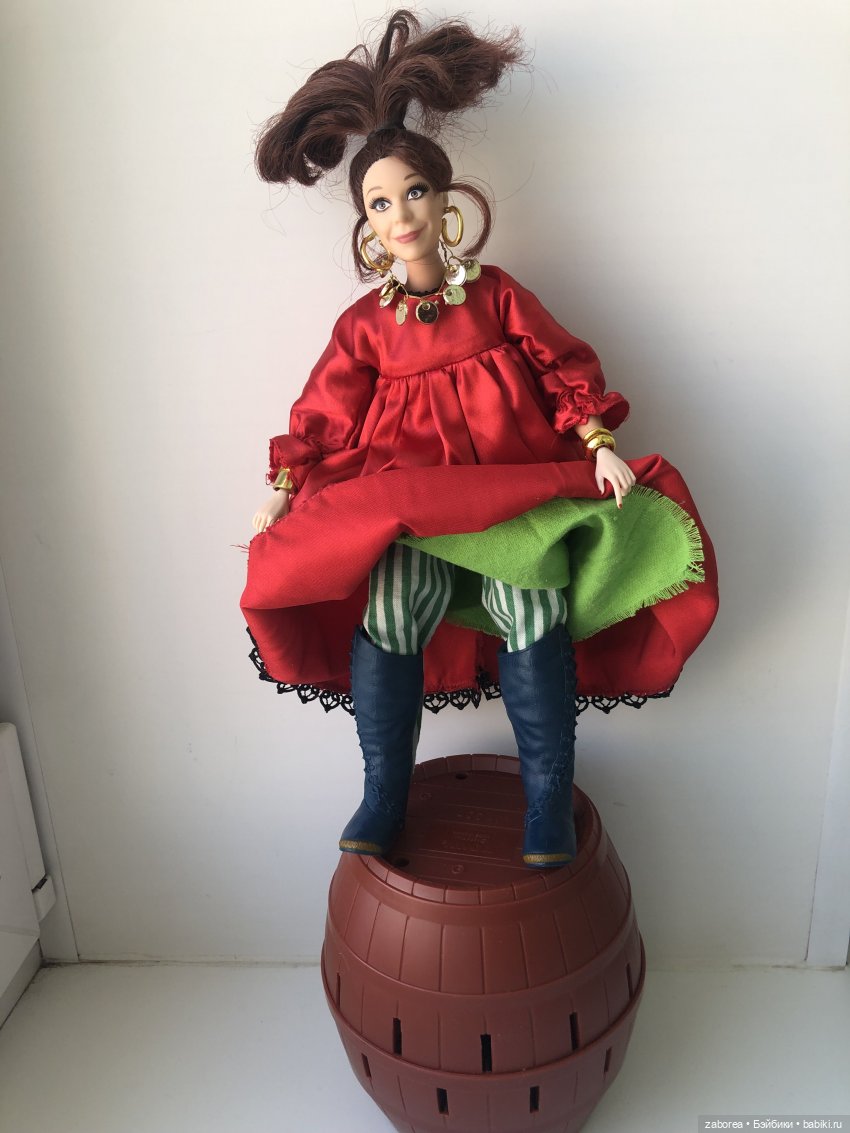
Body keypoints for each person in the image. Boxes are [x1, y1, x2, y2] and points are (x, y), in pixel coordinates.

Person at [241, 10, 718, 868]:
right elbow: (324, 411)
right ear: (367, 223)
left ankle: (547, 801)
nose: (400, 215)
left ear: (444, 197)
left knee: (532, 604)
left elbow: (559, 364)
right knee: (392, 607)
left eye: (413, 194)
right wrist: (284, 485)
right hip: (411, 499)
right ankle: (384, 792)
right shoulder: (367, 326)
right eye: (380, 203)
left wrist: (598, 440)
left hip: (510, 487)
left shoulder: (495, 295)